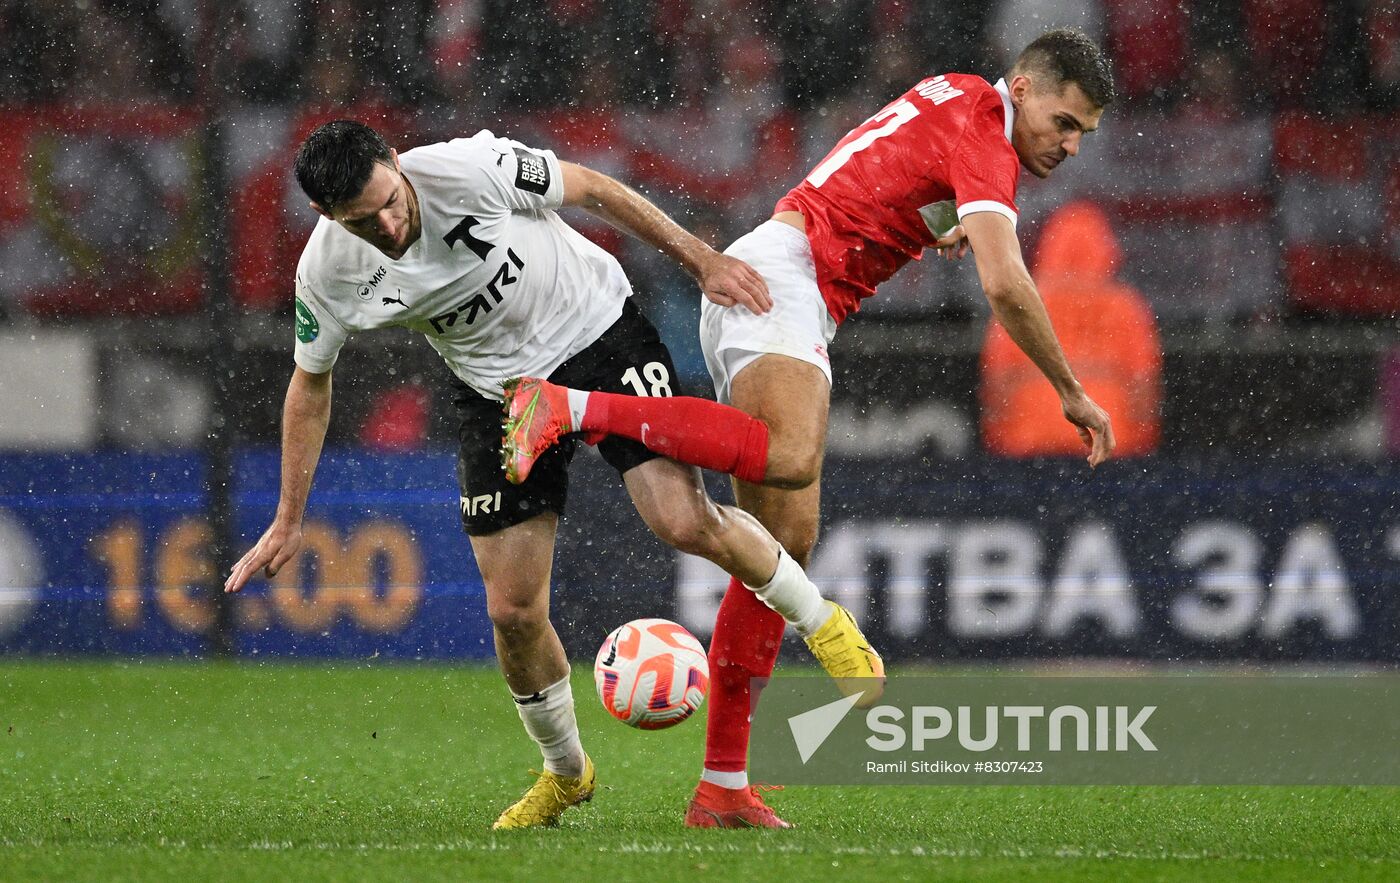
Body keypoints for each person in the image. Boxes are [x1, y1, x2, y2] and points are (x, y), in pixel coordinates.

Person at [504, 28, 1118, 828]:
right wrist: (1071, 389)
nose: (1069, 145)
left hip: (782, 272)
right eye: (1064, 123)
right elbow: (1004, 285)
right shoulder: (986, 135)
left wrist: (936, 219)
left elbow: (879, 159)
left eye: (1084, 135)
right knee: (790, 459)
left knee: (782, 544)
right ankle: (571, 407)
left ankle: (722, 784)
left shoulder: (962, 95)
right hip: (787, 285)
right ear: (1026, 90)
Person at [222, 121, 884, 831]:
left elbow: (593, 188)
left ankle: (826, 625)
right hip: (495, 393)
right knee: (512, 609)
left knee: (683, 519)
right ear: (327, 217)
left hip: (599, 333)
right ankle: (566, 772)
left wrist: (700, 260)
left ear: (394, 162)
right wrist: (290, 516)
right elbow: (310, 385)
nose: (388, 223)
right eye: (363, 220)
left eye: (390, 199)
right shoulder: (326, 274)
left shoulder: (468, 169)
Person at [981, 199, 1161, 457]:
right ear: (1106, 247)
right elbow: (1143, 389)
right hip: (1109, 440)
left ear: (1048, 245)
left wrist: (1000, 441)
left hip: (1030, 439)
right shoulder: (1125, 307)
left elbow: (998, 386)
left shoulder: (1022, 302)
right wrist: (1141, 442)